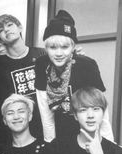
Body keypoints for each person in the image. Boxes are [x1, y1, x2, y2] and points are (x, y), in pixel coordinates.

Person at [35, 10, 114, 143]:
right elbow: (44, 109)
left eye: (65, 47)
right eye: (53, 48)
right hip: (60, 131)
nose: (59, 53)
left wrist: (109, 146)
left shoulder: (86, 65)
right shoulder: (42, 64)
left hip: (87, 134)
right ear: (46, 48)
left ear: (73, 47)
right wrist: (50, 144)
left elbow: (101, 109)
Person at [0, 14, 45, 143]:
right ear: (0, 39)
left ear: (20, 27)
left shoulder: (41, 54)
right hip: (19, 126)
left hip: (45, 121)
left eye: (9, 25)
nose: (7, 30)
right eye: (1, 30)